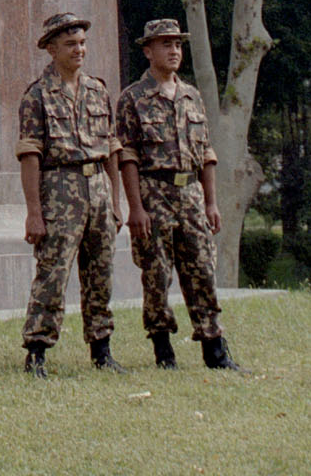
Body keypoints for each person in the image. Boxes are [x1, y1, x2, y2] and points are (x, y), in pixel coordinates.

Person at [115, 18, 243, 371]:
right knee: (156, 275)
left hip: (191, 195)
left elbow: (206, 153)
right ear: (147, 51)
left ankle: (215, 350)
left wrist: (211, 201)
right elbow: (127, 156)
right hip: (154, 195)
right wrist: (135, 208)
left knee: (202, 270)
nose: (173, 51)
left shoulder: (191, 95)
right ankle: (163, 350)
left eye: (178, 45)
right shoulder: (132, 99)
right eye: (165, 44)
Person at [16, 10, 126, 377]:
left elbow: (112, 148)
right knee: (53, 272)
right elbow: (30, 154)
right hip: (59, 189)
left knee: (101, 272)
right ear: (51, 49)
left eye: (82, 43)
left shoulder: (98, 90)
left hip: (97, 187)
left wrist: (115, 199)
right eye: (70, 44)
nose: (79, 50)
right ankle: (37, 351)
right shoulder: (37, 96)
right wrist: (34, 212)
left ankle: (102, 350)